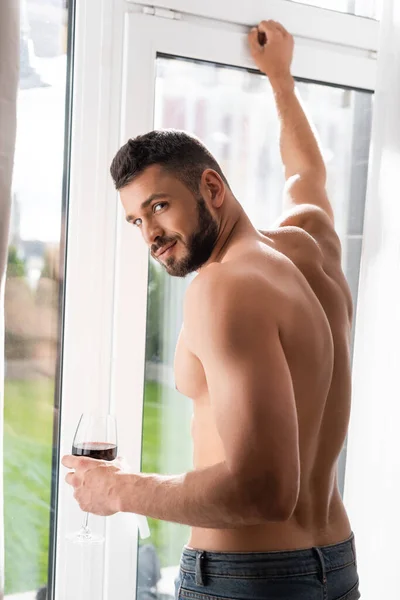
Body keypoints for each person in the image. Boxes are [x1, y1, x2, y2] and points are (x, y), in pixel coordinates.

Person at [63, 20, 360, 600]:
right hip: (335, 565)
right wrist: (280, 79)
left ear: (212, 188)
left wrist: (118, 491)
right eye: (136, 221)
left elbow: (265, 489)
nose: (150, 235)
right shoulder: (311, 244)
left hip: (251, 583)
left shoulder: (227, 286)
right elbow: (307, 176)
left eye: (160, 207)